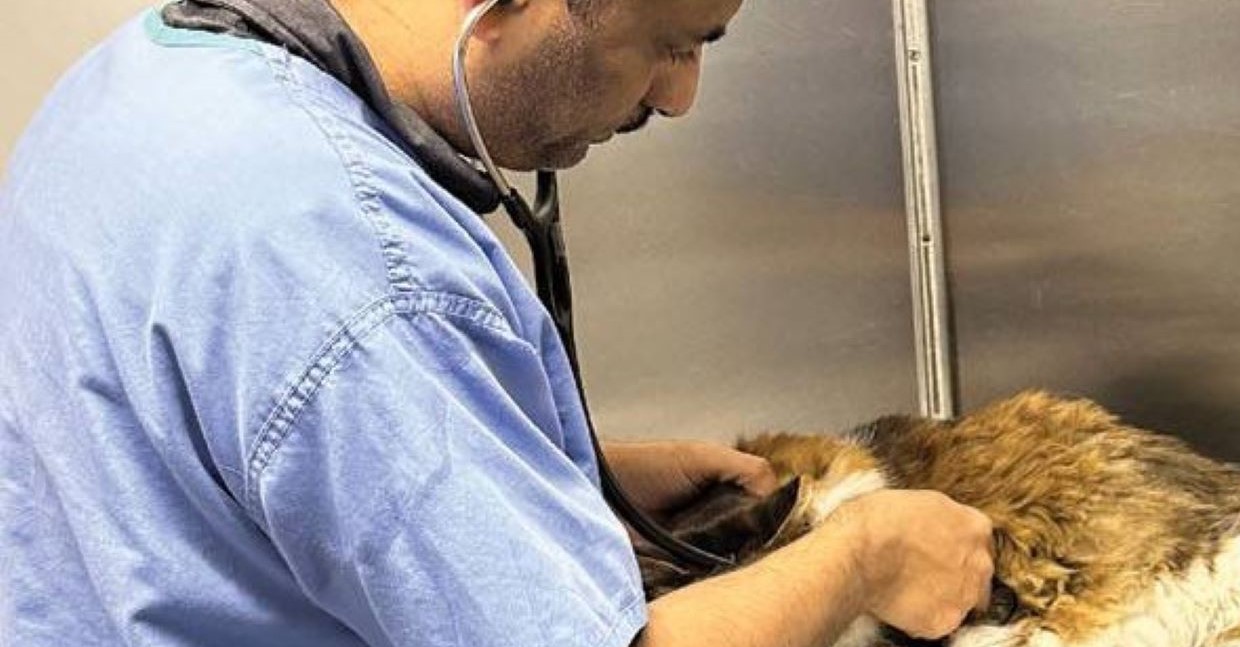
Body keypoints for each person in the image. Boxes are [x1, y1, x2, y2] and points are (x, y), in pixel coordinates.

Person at [0, 0, 996, 645]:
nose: (681, 96)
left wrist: (543, 460)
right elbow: (358, 342)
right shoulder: (362, 270)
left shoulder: (146, 75)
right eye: (675, 41)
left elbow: (220, 452)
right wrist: (866, 555)